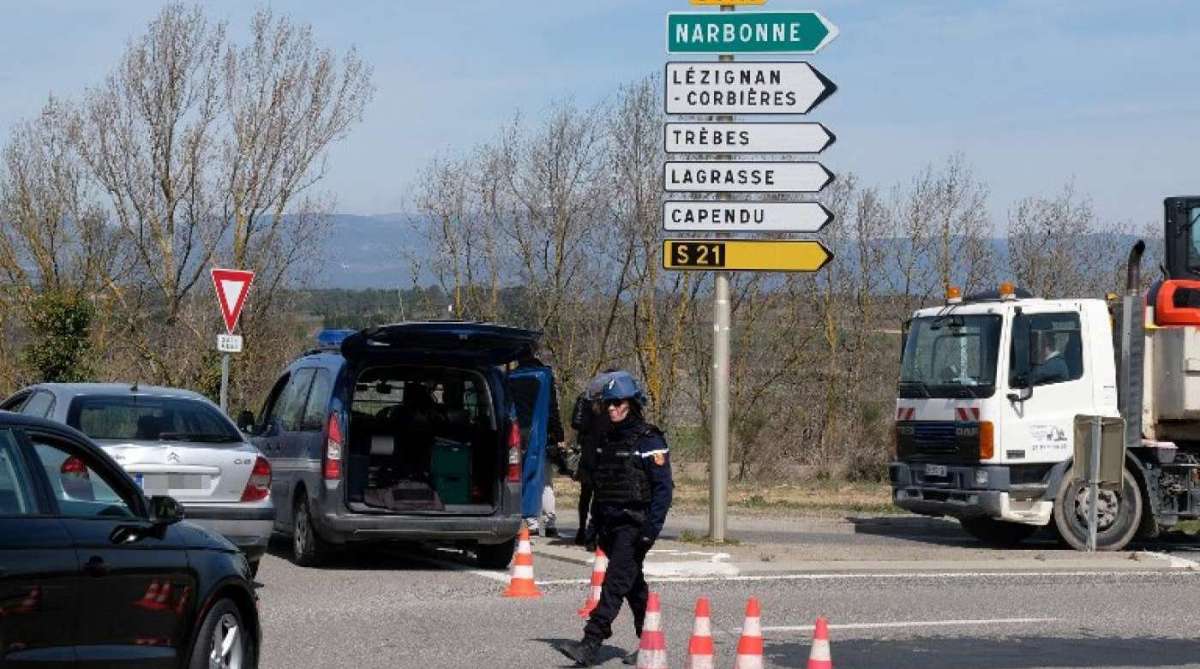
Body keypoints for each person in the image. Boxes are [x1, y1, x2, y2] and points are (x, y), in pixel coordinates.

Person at [558, 371, 673, 668]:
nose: (611, 408)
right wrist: (594, 526)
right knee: (633, 585)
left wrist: (651, 530)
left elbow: (663, 489)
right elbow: (599, 484)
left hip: (634, 526)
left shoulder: (649, 440)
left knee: (613, 584)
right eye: (608, 403)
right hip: (610, 524)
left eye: (618, 402)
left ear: (632, 403)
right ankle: (650, 642)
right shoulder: (607, 439)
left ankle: (591, 642)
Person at [513, 349, 565, 537]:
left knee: (521, 477)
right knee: (545, 481)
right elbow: (552, 409)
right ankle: (550, 522)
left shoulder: (512, 378)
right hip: (542, 433)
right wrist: (559, 436)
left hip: (518, 432)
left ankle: (530, 521)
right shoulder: (544, 376)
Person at [569, 368, 619, 546]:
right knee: (600, 495)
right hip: (605, 452)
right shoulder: (613, 403)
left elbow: (576, 423)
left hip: (589, 450)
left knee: (586, 494)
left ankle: (583, 529)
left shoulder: (586, 398)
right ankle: (594, 533)